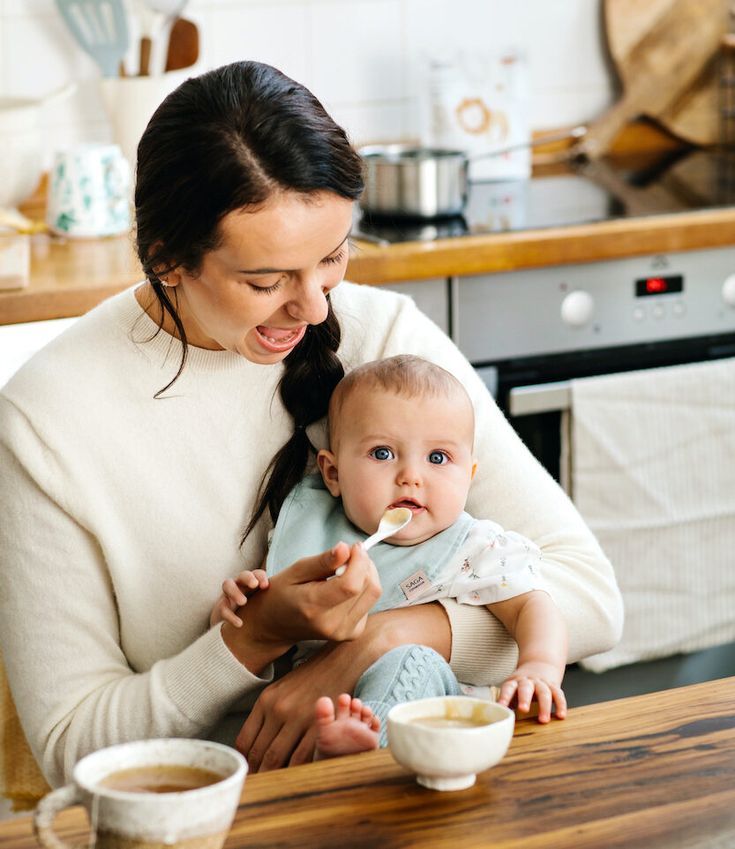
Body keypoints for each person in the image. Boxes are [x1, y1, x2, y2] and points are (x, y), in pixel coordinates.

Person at [0, 60, 622, 792]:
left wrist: (378, 638)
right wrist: (252, 639)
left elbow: (588, 595)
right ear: (169, 260)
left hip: (425, 798)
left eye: (331, 257)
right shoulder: (50, 417)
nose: (317, 309)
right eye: (266, 283)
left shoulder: (384, 335)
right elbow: (71, 747)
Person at [211, 355, 567, 757]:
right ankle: (340, 748)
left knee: (412, 660)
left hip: (434, 734)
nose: (410, 476)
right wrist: (243, 604)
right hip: (312, 724)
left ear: (468, 476)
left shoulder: (473, 548)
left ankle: (369, 750)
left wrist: (539, 665)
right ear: (332, 474)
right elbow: (253, 636)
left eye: (437, 458)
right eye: (382, 454)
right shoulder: (313, 533)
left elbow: (533, 605)